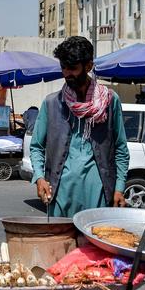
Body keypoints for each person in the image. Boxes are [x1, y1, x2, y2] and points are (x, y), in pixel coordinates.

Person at [30, 36, 129, 217]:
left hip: (99, 194)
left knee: (92, 244)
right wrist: (39, 177)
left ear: (88, 66)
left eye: (73, 68)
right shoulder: (52, 103)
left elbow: (121, 148)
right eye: (63, 68)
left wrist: (119, 188)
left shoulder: (109, 101)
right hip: (60, 193)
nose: (67, 74)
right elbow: (36, 147)